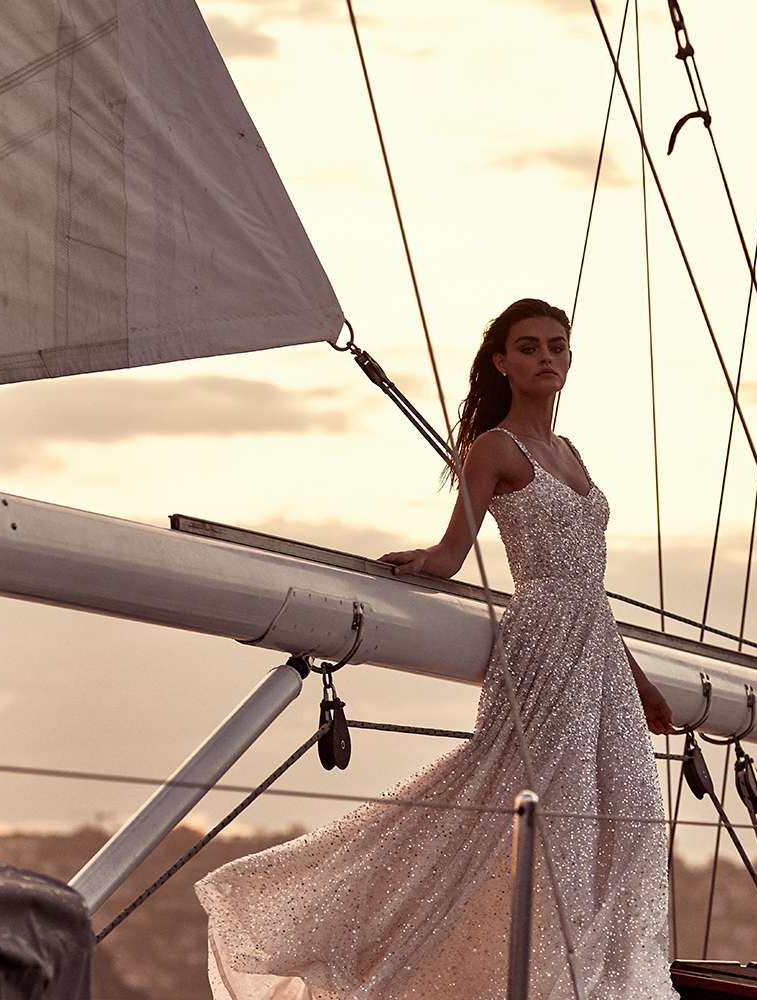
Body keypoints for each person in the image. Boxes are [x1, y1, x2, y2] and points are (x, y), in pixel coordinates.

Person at [195, 298, 680, 1000]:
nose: (546, 356)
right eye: (529, 346)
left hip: (598, 648)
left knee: (625, 815)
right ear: (502, 362)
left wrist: (642, 685)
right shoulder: (494, 448)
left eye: (557, 345)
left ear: (570, 359)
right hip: (542, 637)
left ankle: (598, 982)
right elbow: (455, 552)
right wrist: (421, 562)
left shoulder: (571, 454)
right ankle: (526, 974)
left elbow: (593, 590)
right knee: (549, 815)